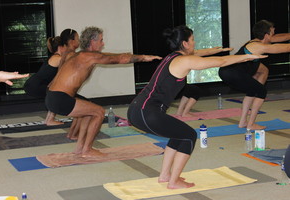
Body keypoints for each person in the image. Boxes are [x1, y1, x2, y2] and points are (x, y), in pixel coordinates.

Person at [127, 25, 267, 189]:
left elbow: (201, 54)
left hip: (138, 110)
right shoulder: (184, 60)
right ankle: (174, 181)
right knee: (189, 136)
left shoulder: (173, 57)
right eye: (193, 40)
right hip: (147, 112)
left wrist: (216, 49)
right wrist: (246, 57)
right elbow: (220, 62)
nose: (195, 43)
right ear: (185, 44)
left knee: (178, 134)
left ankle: (165, 175)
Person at [45, 26, 162, 157]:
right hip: (59, 98)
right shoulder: (87, 57)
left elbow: (109, 55)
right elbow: (118, 59)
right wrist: (144, 57)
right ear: (92, 41)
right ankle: (87, 150)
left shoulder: (78, 54)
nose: (103, 43)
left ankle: (80, 149)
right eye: (100, 40)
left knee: (87, 113)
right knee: (99, 112)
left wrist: (130, 55)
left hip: (52, 96)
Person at [219, 20, 290, 130]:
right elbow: (285, 48)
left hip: (229, 71)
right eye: (272, 33)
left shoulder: (255, 41)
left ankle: (243, 122)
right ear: (266, 35)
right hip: (232, 72)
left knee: (255, 86)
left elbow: (282, 37)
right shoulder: (258, 46)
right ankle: (251, 124)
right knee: (261, 91)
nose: (274, 35)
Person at [24, 29, 80, 126]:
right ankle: (50, 120)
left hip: (33, 85)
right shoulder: (57, 59)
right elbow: (73, 59)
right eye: (65, 47)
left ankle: (49, 120)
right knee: (56, 93)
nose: (66, 49)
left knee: (55, 92)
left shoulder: (56, 58)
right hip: (34, 86)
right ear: (60, 47)